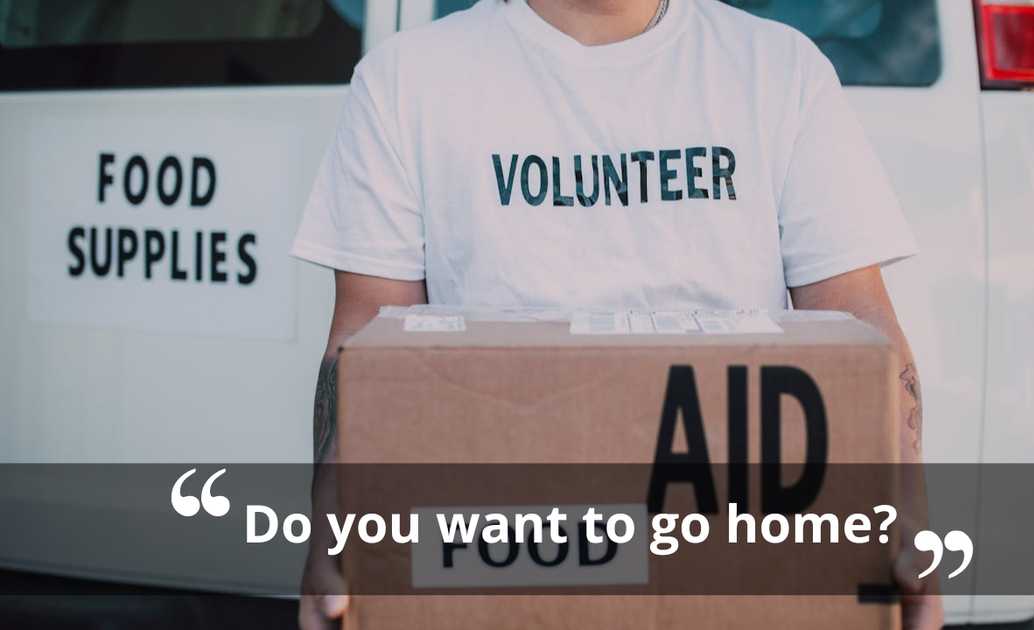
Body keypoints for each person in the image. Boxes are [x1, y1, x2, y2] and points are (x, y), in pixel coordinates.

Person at [292, 1, 942, 628]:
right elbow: (367, 341)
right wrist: (333, 526)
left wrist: (905, 514)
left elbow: (857, 318)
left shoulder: (777, 70)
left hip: (732, 547)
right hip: (500, 549)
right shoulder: (406, 82)